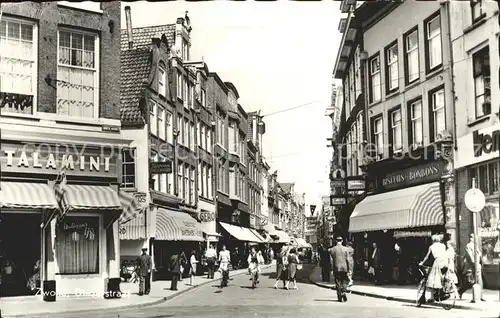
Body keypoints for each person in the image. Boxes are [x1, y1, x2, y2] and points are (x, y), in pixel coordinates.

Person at [458, 233, 485, 302]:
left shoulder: (476, 245)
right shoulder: (468, 245)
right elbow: (470, 256)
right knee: (470, 282)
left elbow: (479, 254)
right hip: (472, 266)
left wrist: (481, 263)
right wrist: (474, 264)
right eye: (474, 238)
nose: (476, 239)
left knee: (479, 281)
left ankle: (480, 296)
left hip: (477, 265)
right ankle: (460, 292)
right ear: (471, 238)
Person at [419, 234, 446, 302]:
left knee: (432, 280)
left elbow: (427, 256)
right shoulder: (443, 245)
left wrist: (422, 262)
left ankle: (433, 296)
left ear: (433, 240)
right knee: (441, 277)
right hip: (444, 262)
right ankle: (437, 294)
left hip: (437, 262)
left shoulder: (431, 246)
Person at [329, 237, 350, 302]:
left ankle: (339, 297)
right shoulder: (346, 249)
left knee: (337, 282)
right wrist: (349, 269)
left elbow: (331, 260)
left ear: (336, 241)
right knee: (345, 280)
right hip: (344, 268)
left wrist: (332, 269)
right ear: (342, 241)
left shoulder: (332, 249)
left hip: (336, 267)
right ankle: (343, 290)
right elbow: (348, 260)